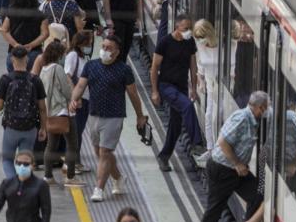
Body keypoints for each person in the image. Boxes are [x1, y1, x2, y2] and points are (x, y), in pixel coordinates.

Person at [68, 35, 148, 202]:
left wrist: (140, 116)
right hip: (94, 114)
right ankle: (118, 178)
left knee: (105, 152)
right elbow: (81, 85)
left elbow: (133, 94)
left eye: (109, 48)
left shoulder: (124, 70)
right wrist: (74, 99)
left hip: (114, 116)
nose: (104, 50)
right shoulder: (91, 66)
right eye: (103, 46)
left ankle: (99, 188)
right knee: (99, 152)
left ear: (117, 52)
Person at [198, 91, 269, 222]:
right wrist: (237, 163)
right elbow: (223, 142)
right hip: (223, 170)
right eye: (266, 108)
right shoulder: (242, 118)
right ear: (260, 107)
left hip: (236, 171)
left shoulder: (252, 119)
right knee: (213, 211)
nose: (266, 112)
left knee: (258, 194)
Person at [152, 15, 204, 171]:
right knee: (187, 106)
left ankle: (164, 156)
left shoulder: (190, 42)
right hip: (166, 86)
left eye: (190, 28)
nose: (188, 31)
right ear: (176, 27)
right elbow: (154, 68)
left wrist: (193, 88)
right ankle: (197, 144)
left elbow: (193, 67)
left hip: (181, 86)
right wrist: (155, 91)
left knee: (175, 125)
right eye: (185, 28)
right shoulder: (164, 43)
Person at [0, 47, 49, 178]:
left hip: (11, 127)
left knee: (7, 160)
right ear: (27, 59)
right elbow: (42, 107)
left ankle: (13, 184)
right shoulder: (35, 80)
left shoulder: (5, 79)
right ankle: (23, 185)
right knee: (25, 161)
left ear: (12, 59)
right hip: (30, 128)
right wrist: (43, 128)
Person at [39, 41, 81, 186]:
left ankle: (48, 176)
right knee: (72, 144)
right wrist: (74, 100)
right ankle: (70, 177)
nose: (64, 56)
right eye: (63, 54)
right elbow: (66, 89)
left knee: (51, 145)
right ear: (58, 54)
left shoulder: (44, 69)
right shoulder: (57, 68)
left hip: (50, 112)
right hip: (63, 111)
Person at [193, 19, 230, 153]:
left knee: (219, 116)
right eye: (198, 38)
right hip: (210, 84)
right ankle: (210, 149)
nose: (200, 40)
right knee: (209, 116)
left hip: (223, 86)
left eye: (201, 37)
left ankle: (220, 149)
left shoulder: (223, 46)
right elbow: (200, 67)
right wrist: (200, 81)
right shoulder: (200, 47)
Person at [64, 29, 93, 174]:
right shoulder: (73, 55)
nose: (91, 44)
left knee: (78, 132)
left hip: (85, 99)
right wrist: (76, 96)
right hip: (78, 101)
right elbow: (68, 76)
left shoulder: (82, 57)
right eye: (89, 42)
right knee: (75, 133)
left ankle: (77, 162)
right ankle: (72, 164)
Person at [2, 0, 49, 71]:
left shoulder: (11, 13)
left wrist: (15, 44)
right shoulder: (40, 15)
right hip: (34, 52)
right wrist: (31, 45)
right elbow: (45, 33)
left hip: (14, 53)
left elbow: (4, 30)